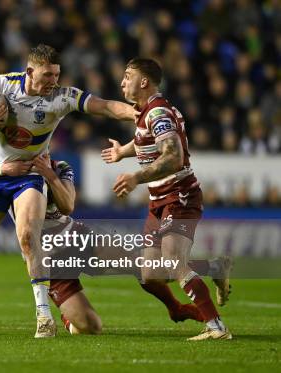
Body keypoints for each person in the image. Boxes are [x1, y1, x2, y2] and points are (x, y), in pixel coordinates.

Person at [0, 44, 137, 338]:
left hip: (30, 173)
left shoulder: (61, 97)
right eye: (47, 76)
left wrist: (141, 114)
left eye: (56, 75)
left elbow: (106, 106)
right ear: (30, 71)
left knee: (28, 237)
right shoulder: (0, 85)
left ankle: (44, 318)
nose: (53, 82)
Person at [0, 155, 232, 335]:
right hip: (49, 263)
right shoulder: (7, 167)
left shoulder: (60, 166)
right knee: (91, 327)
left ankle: (194, 287)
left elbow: (68, 204)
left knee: (147, 268)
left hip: (78, 241)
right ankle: (70, 316)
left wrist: (49, 175)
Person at [103, 58, 231, 340]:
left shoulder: (158, 112)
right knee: (150, 275)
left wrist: (135, 178)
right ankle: (214, 267)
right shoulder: (146, 112)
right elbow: (144, 142)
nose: (123, 82)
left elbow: (173, 156)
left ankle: (216, 326)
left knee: (174, 260)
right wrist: (121, 153)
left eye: (128, 76)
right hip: (159, 201)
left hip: (179, 195)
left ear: (144, 82)